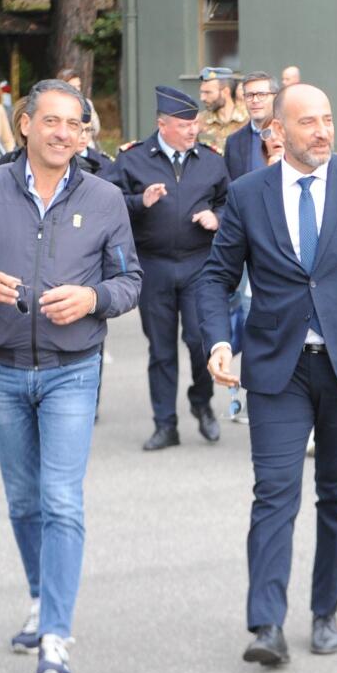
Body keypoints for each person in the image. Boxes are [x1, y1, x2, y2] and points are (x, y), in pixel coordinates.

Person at [0, 79, 141, 673]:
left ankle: (55, 635)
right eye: (51, 122)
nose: (63, 134)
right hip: (0, 368)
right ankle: (37, 599)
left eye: (74, 125)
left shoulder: (104, 198)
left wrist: (94, 296)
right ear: (24, 125)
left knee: (62, 499)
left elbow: (131, 281)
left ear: (83, 134)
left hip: (73, 369)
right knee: (23, 500)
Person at [197, 83, 337, 667]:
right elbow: (216, 279)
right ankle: (266, 623)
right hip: (277, 369)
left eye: (328, 119)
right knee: (274, 494)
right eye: (308, 122)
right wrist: (219, 339)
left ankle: (325, 612)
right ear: (279, 133)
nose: (322, 131)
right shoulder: (247, 194)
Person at [107, 86, 229, 450]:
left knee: (200, 341)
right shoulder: (133, 159)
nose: (193, 131)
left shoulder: (211, 160)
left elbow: (231, 203)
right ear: (162, 124)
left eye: (196, 123)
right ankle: (165, 425)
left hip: (198, 265)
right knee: (161, 349)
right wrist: (139, 202)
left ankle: (202, 402)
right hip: (154, 265)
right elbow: (108, 204)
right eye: (184, 124)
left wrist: (217, 217)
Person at [224, 71, 278, 182]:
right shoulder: (233, 142)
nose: (255, 100)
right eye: (249, 95)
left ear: (275, 97)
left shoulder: (289, 135)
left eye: (262, 95)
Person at [197, 65, 249, 153]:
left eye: (208, 92)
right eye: (202, 92)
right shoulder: (200, 121)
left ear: (225, 92)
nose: (202, 98)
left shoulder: (248, 119)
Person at [56, 69, 100, 146]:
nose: (77, 89)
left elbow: (95, 129)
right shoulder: (54, 105)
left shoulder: (87, 104)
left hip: (85, 146)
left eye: (79, 86)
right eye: (73, 86)